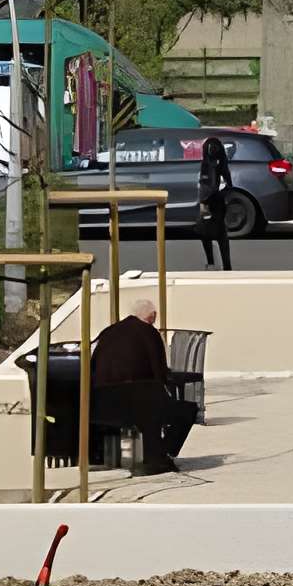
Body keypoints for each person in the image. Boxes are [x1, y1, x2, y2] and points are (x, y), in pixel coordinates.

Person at [87, 295, 192, 475]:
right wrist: (167, 388)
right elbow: (158, 369)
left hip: (100, 401)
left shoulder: (108, 331)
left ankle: (114, 457)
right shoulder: (149, 333)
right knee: (185, 411)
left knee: (143, 410)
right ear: (152, 316)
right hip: (137, 400)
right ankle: (160, 456)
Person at [195, 134, 235, 269]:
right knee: (219, 233)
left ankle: (212, 263)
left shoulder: (207, 165)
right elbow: (229, 184)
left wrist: (203, 202)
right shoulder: (221, 164)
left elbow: (206, 186)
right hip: (219, 201)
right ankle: (226, 265)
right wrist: (224, 196)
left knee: (206, 232)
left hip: (210, 202)